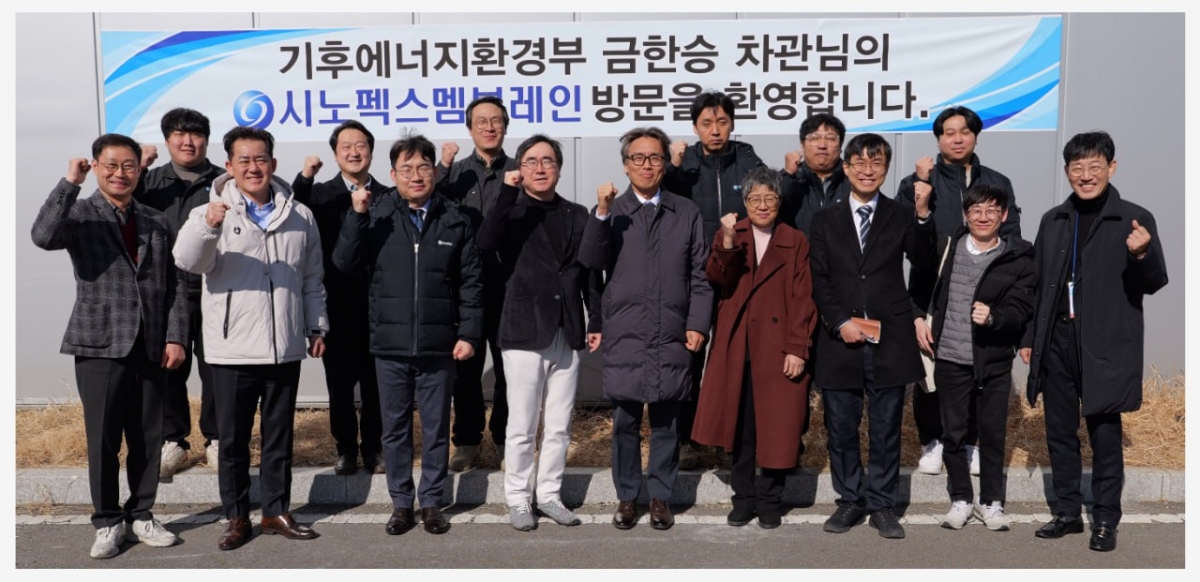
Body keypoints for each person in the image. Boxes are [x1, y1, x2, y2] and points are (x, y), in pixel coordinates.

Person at [32, 133, 188, 558]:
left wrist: (176, 335)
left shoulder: (156, 220)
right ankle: (106, 520)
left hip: (151, 343)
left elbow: (174, 284)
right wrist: (70, 182)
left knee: (148, 437)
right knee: (103, 438)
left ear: (140, 169)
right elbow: (43, 236)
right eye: (112, 165)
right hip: (100, 341)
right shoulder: (81, 214)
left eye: (129, 165)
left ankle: (141, 514)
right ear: (96, 167)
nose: (121, 173)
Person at [173, 126, 327, 551]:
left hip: (284, 347)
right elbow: (186, 260)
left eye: (260, 159)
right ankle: (236, 515)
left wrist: (316, 325)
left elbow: (311, 276)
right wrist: (208, 225)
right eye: (244, 160)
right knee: (233, 442)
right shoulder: (210, 211)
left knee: (279, 439)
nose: (253, 167)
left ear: (273, 164)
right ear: (229, 166)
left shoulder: (300, 215)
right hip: (232, 350)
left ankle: (275, 511)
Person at [1020, 131, 1167, 552]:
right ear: (1067, 171)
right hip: (1057, 341)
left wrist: (1142, 254)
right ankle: (1067, 513)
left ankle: (1104, 519)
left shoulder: (1133, 218)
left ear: (1111, 168)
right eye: (1077, 168)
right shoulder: (1054, 220)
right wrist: (1030, 336)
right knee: (1059, 432)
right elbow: (1038, 285)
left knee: (1104, 434)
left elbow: (1154, 281)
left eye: (1095, 167)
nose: (1086, 176)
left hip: (1105, 343)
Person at [333, 132, 483, 537]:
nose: (416, 176)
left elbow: (471, 283)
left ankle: (431, 502)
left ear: (435, 171)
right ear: (393, 173)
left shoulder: (455, 219)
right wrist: (356, 216)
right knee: (395, 430)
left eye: (423, 167)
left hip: (439, 344)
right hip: (390, 345)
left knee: (435, 428)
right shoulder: (377, 216)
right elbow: (345, 263)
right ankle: (401, 503)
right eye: (406, 169)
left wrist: (468, 333)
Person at [578, 127, 713, 531]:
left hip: (672, 330)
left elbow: (700, 275)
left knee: (667, 421)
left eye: (655, 157)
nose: (647, 165)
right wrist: (602, 214)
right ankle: (626, 497)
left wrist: (698, 323)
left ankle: (660, 497)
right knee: (625, 422)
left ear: (665, 164)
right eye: (638, 158)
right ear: (625, 165)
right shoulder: (611, 212)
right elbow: (592, 263)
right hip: (626, 331)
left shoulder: (685, 212)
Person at [809, 133, 935, 539]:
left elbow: (923, 259)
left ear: (886, 169)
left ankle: (882, 505)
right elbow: (819, 278)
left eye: (876, 163)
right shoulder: (825, 219)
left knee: (885, 428)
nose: (868, 170)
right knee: (841, 426)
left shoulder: (901, 214)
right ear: (846, 168)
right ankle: (850, 500)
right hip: (840, 339)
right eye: (860, 163)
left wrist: (922, 215)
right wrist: (838, 321)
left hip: (890, 337)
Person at [476, 134, 604, 531]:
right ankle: (518, 497)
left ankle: (549, 495)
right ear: (519, 168)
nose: (540, 168)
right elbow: (485, 242)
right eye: (531, 161)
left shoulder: (576, 213)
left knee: (560, 424)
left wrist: (595, 319)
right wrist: (506, 193)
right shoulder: (511, 211)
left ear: (559, 169)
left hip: (567, 327)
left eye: (548, 160)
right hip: (523, 328)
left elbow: (589, 271)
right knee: (522, 424)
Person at [897, 106, 1023, 476]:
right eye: (948, 132)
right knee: (930, 371)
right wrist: (916, 311)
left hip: (983, 294)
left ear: (975, 137)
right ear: (938, 139)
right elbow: (905, 243)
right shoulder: (918, 183)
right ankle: (932, 441)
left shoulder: (997, 182)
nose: (957, 139)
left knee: (977, 371)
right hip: (931, 292)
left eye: (964, 132)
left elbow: (1012, 238)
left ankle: (970, 442)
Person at [691, 166, 817, 529]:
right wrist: (729, 240)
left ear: (780, 201)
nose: (762, 205)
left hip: (778, 347)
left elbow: (803, 298)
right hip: (739, 343)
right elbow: (718, 278)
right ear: (744, 202)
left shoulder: (794, 239)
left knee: (777, 426)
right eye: (754, 199)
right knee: (741, 426)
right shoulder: (732, 233)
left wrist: (798, 347)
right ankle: (744, 499)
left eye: (770, 198)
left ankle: (771, 499)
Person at [910, 183, 1036, 532]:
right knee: (953, 434)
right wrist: (917, 317)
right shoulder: (948, 247)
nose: (983, 217)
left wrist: (995, 317)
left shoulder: (1018, 257)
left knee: (992, 435)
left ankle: (991, 502)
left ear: (1004, 215)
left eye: (992, 210)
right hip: (950, 357)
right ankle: (961, 499)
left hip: (993, 361)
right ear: (966, 215)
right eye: (976, 211)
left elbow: (1023, 307)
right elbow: (919, 280)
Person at [663, 90, 766, 470]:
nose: (716, 130)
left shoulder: (747, 158)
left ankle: (727, 440)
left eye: (722, 122)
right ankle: (687, 440)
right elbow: (661, 201)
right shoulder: (684, 163)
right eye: (707, 123)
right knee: (689, 359)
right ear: (695, 127)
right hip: (692, 276)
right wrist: (673, 167)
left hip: (736, 273)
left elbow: (769, 197)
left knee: (731, 359)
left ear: (732, 124)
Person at [291, 120, 387, 476]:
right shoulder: (320, 194)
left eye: (361, 145)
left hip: (378, 305)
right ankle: (346, 448)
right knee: (340, 385)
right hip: (335, 304)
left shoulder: (388, 195)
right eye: (346, 146)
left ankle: (374, 448)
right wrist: (306, 177)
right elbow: (292, 211)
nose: (354, 151)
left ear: (371, 152)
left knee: (376, 384)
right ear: (335, 154)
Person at [133, 107, 223, 478]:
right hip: (168, 293)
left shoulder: (223, 182)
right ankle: (174, 441)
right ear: (167, 140)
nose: (188, 142)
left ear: (206, 140)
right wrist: (139, 169)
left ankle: (217, 439)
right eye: (179, 135)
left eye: (196, 134)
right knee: (168, 367)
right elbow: (116, 207)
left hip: (215, 287)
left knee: (217, 368)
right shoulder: (150, 182)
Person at [436, 95, 518, 471]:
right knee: (465, 370)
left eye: (496, 120)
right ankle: (467, 441)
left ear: (505, 127)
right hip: (464, 288)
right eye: (481, 121)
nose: (489, 127)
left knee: (508, 370)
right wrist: (442, 166)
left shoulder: (518, 170)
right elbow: (429, 203)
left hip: (508, 286)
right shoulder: (454, 174)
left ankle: (504, 440)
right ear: (470, 129)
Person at [779, 113, 852, 236]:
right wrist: (788, 175)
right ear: (802, 146)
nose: (822, 145)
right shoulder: (790, 179)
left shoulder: (854, 180)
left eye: (830, 139)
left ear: (840, 147)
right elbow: (772, 212)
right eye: (814, 138)